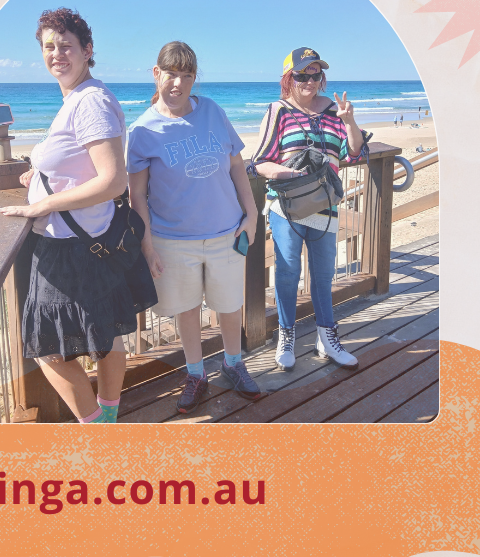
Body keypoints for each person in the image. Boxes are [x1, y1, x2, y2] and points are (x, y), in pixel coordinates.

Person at [0, 7, 155, 424]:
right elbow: (83, 163)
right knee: (106, 339)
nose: (57, 54)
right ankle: (107, 417)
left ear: (88, 50)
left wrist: (42, 204)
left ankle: (97, 428)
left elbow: (113, 181)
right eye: (49, 47)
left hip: (73, 250)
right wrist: (43, 174)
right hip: (89, 241)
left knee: (47, 350)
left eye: (66, 45)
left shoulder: (90, 102)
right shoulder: (80, 98)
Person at [126, 42, 263, 414]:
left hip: (227, 233)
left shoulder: (213, 112)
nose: (179, 84)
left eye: (188, 76)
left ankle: (233, 364)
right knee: (186, 309)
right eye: (172, 74)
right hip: (173, 241)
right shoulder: (141, 131)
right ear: (157, 74)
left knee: (230, 306)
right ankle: (196, 373)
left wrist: (251, 217)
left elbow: (237, 166)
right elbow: (137, 196)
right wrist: (148, 247)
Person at [251, 47, 370, 372]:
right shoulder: (278, 111)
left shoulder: (335, 110)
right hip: (286, 206)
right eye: (301, 75)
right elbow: (259, 162)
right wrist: (280, 172)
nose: (308, 81)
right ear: (289, 78)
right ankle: (286, 336)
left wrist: (350, 121)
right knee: (288, 272)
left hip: (324, 204)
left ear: (322, 78)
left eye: (314, 74)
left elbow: (356, 153)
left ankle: (326, 337)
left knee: (323, 274)